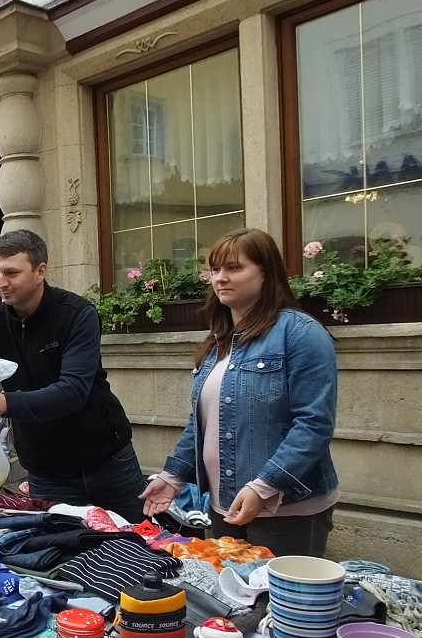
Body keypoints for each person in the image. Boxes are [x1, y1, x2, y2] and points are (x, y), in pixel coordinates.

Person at [141, 228, 338, 557]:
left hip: (287, 510)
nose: (221, 278)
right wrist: (173, 476)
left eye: (234, 268)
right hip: (224, 506)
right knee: (234, 601)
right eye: (216, 270)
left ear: (265, 273)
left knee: (279, 604)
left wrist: (264, 486)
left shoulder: (302, 334)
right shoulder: (220, 341)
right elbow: (202, 423)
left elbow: (314, 423)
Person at [0, 229, 147, 523]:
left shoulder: (76, 314)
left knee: (140, 542)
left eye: (12, 272)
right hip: (47, 471)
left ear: (41, 271)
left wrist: (5, 402)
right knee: (63, 555)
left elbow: (73, 391)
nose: (1, 283)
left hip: (107, 461)